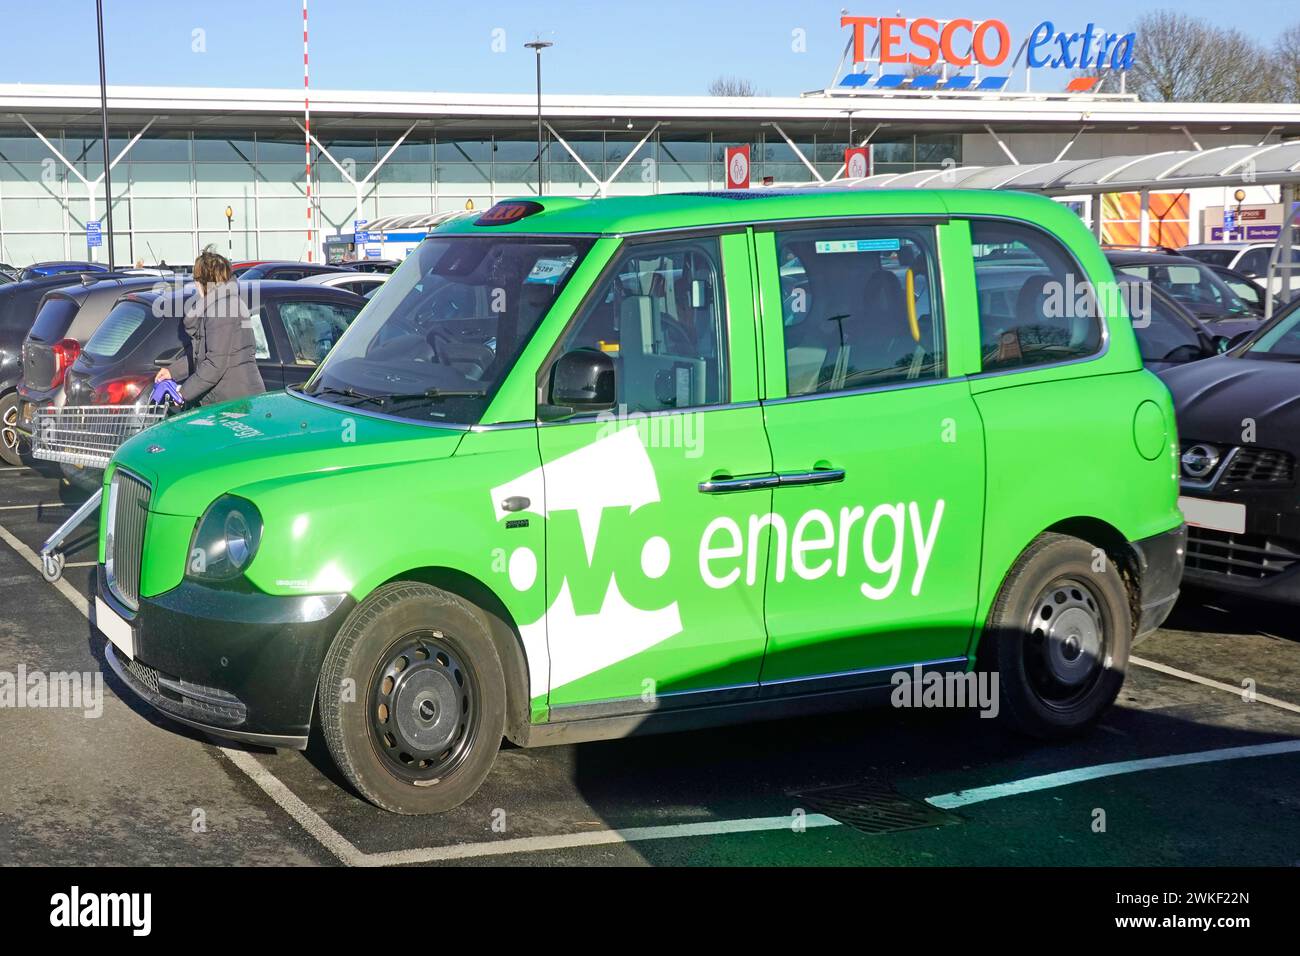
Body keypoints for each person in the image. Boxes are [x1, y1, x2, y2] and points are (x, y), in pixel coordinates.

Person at [155, 246, 265, 406]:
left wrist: (183, 393)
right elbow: (201, 355)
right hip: (227, 399)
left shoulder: (223, 309)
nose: (194, 283)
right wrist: (173, 371)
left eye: (196, 278)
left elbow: (215, 365)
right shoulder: (217, 306)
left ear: (205, 281)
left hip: (235, 403)